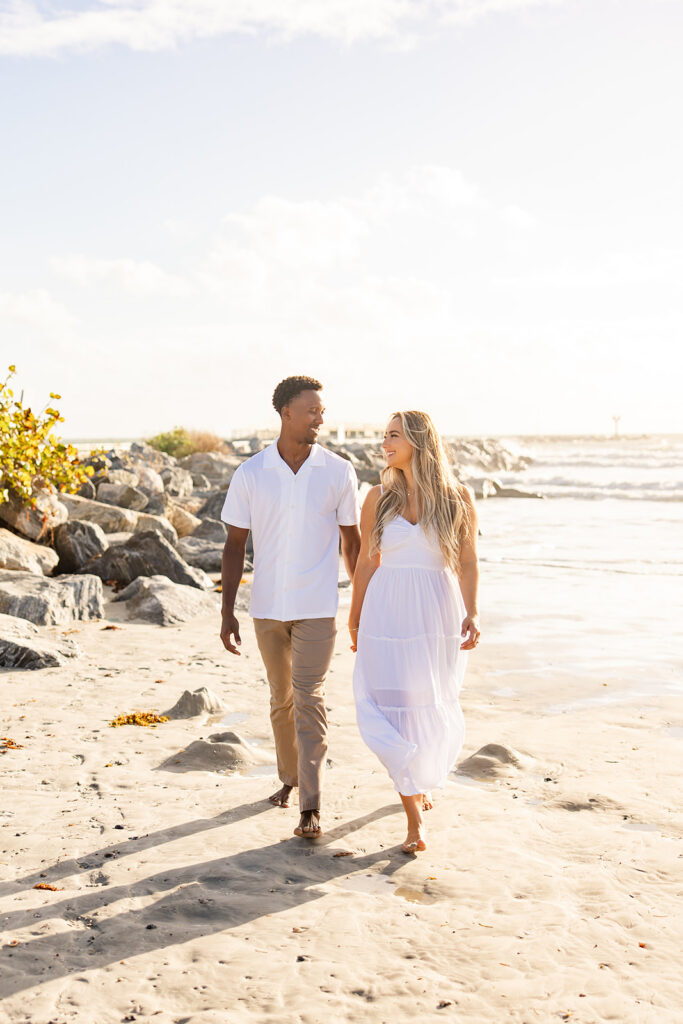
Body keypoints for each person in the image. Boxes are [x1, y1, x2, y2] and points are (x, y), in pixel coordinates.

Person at [220, 376, 361, 839]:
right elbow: (234, 544)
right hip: (266, 608)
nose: (321, 417)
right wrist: (227, 612)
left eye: (322, 410)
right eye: (312, 410)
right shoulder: (252, 473)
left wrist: (362, 600)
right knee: (280, 700)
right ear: (286, 413)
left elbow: (351, 542)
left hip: (318, 606)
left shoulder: (339, 471)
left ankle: (310, 806)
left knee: (308, 698)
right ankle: (288, 778)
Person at [349, 410, 480, 854]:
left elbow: (466, 561)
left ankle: (419, 777)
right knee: (391, 703)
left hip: (437, 613)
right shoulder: (377, 497)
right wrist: (354, 615)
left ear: (419, 441)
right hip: (387, 613)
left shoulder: (457, 497)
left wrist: (473, 612)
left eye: (393, 435)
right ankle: (412, 820)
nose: (384, 442)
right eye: (383, 434)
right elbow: (367, 561)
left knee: (429, 699)